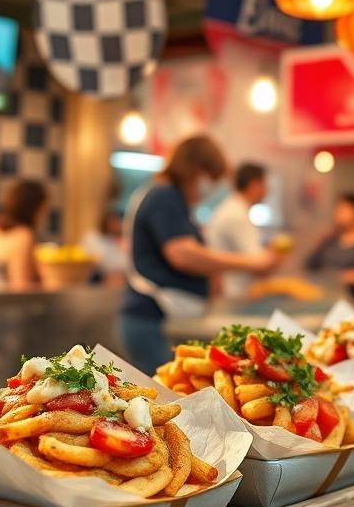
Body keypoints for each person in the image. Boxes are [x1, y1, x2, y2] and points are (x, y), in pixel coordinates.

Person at [119, 136, 280, 372]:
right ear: (197, 170)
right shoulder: (164, 196)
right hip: (150, 320)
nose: (211, 186)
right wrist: (251, 262)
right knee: (169, 398)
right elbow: (183, 254)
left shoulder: (172, 199)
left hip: (157, 320)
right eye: (212, 177)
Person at [305, 193, 354, 308]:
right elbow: (310, 265)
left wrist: (339, 278)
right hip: (327, 301)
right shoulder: (330, 241)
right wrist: (319, 242)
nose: (337, 214)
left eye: (343, 210)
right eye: (336, 210)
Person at [205, 162, 267, 300]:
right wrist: (276, 255)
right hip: (232, 294)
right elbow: (259, 263)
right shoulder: (236, 214)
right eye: (265, 184)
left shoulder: (233, 208)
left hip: (231, 292)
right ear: (254, 185)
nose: (267, 190)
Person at [0, 180, 47, 289]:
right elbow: (22, 284)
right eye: (43, 209)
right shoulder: (24, 236)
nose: (44, 215)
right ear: (33, 208)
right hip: (14, 303)